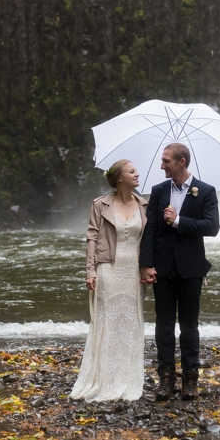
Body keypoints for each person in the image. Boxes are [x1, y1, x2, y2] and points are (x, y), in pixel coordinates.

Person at [138, 141, 220, 401]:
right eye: (162, 161)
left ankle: (190, 381)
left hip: (192, 268)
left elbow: (212, 227)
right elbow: (149, 230)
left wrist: (179, 221)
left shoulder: (206, 191)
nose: (162, 165)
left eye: (166, 161)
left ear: (181, 162)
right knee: (163, 326)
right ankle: (165, 379)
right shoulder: (158, 190)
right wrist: (146, 264)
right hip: (162, 268)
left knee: (189, 326)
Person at [69, 158, 148, 404]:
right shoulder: (100, 204)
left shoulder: (145, 205)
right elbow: (92, 237)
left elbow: (151, 239)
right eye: (132, 171)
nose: (138, 174)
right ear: (120, 178)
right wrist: (89, 271)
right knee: (107, 324)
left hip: (133, 271)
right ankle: (104, 379)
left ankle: (127, 378)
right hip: (108, 270)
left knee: (130, 323)